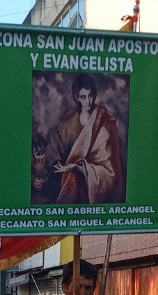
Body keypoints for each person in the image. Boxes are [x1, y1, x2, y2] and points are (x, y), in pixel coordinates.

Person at [47, 73, 125, 204]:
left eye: (90, 96)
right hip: (72, 189)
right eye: (83, 97)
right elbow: (53, 159)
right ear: (77, 97)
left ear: (94, 95)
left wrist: (80, 168)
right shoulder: (66, 126)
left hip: (97, 189)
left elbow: (110, 169)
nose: (88, 101)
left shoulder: (105, 122)